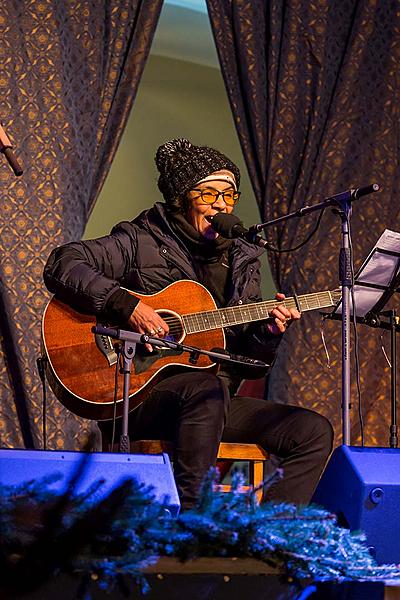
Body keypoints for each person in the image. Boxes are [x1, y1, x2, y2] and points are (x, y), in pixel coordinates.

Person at [44, 138, 333, 509]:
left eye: (229, 195)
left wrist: (267, 333)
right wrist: (127, 305)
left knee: (311, 432)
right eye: (209, 194)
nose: (221, 205)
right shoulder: (140, 239)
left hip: (212, 405)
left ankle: (271, 536)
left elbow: (248, 359)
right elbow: (63, 263)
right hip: (138, 397)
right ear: (181, 197)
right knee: (204, 387)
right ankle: (191, 522)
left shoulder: (243, 260)